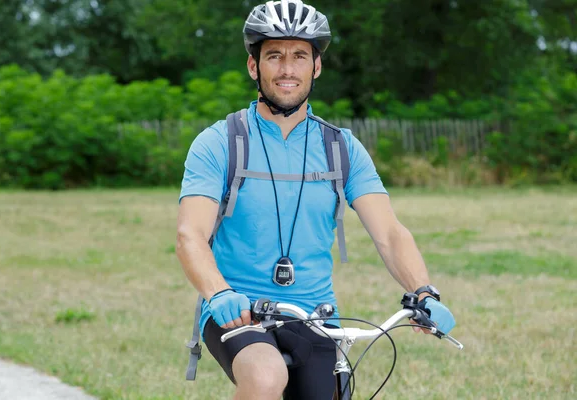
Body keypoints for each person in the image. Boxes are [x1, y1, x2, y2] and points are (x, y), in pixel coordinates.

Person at [175, 0, 456, 399]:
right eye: (274, 56)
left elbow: (390, 233)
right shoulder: (219, 143)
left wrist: (424, 292)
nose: (287, 69)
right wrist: (219, 292)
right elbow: (190, 236)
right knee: (267, 377)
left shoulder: (341, 148)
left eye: (299, 57)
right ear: (254, 66)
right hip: (239, 310)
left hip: (316, 314)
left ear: (316, 66)